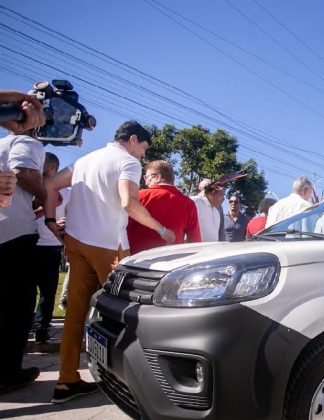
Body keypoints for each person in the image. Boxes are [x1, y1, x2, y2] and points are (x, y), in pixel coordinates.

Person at [43, 121, 176, 404]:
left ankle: (66, 380)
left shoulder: (85, 160)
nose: (143, 154)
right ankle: (128, 381)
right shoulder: (127, 162)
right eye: (143, 148)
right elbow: (129, 203)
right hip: (108, 248)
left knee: (76, 313)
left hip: (76, 243)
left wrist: (50, 220)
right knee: (123, 315)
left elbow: (50, 184)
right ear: (132, 139)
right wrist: (161, 229)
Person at [0, 91, 47, 394]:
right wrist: (49, 196)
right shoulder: (27, 142)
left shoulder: (2, 143)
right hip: (15, 234)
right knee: (17, 308)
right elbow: (22, 173)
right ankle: (8, 373)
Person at [29, 152, 68, 344]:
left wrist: (65, 223)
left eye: (45, 172)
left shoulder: (66, 193)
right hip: (29, 243)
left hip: (52, 246)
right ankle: (28, 325)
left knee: (48, 291)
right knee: (27, 290)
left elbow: (73, 214)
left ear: (54, 169)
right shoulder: (30, 189)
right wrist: (45, 208)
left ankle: (41, 328)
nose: (42, 176)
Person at [127, 160, 201, 254]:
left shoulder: (138, 197)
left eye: (146, 177)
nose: (145, 182)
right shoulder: (188, 203)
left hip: (137, 262)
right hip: (173, 262)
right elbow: (195, 241)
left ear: (157, 177)